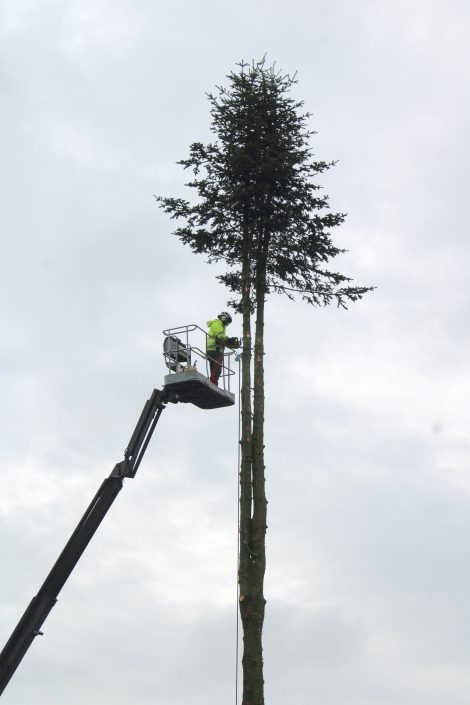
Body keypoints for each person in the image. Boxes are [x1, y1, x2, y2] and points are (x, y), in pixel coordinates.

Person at [206, 312, 239, 385]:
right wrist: (229, 339)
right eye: (227, 321)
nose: (227, 323)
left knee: (214, 369)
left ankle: (213, 383)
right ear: (223, 318)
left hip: (214, 349)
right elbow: (220, 336)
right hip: (215, 350)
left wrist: (230, 343)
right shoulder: (217, 324)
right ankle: (213, 384)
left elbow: (221, 339)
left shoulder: (219, 325)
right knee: (217, 369)